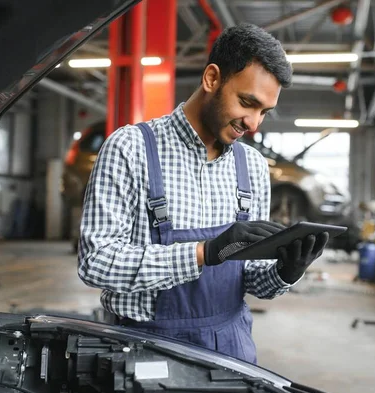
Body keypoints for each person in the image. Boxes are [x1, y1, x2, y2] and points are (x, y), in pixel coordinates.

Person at [77, 23, 329, 364]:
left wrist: (286, 271)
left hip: (231, 346)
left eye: (264, 112)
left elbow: (253, 280)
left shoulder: (252, 166)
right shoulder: (131, 149)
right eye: (247, 102)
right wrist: (204, 253)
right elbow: (96, 263)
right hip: (146, 348)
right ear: (212, 78)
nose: (254, 124)